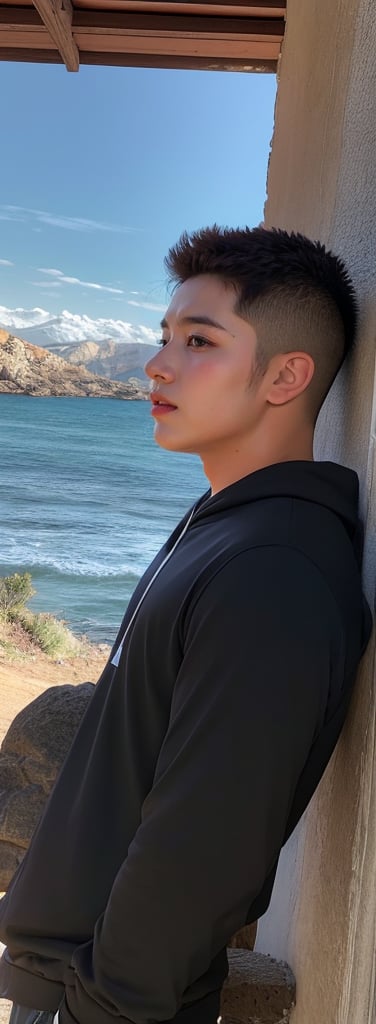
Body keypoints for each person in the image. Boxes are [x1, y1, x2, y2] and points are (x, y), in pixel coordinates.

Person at [0, 226, 371, 1024]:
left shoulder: (275, 572)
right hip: (70, 977)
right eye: (165, 336)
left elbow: (204, 841)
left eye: (199, 341)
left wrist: (97, 1007)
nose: (158, 365)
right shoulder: (226, 526)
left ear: (285, 376)